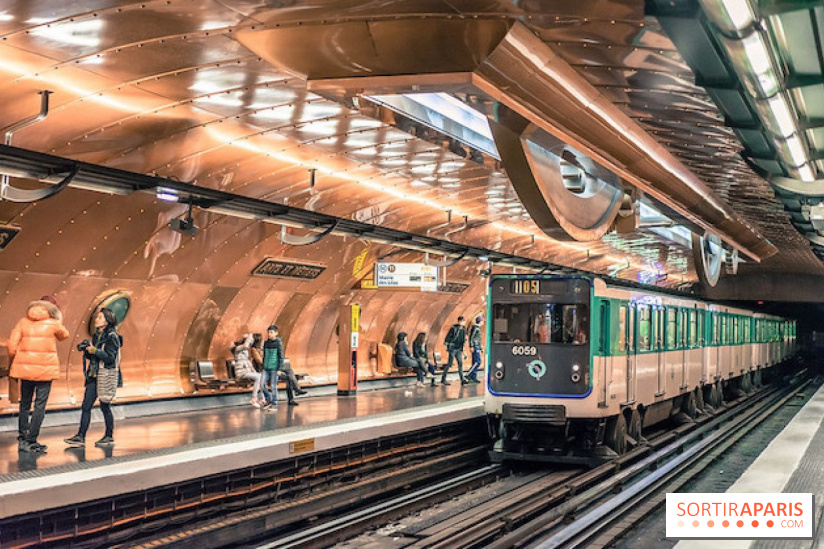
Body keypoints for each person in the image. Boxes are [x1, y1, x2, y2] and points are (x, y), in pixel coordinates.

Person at [7, 296, 69, 453]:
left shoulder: (22, 322)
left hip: (25, 369)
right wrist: (57, 319)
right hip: (44, 371)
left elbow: (12, 345)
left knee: (24, 404)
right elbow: (65, 335)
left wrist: (19, 359)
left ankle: (22, 437)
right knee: (39, 406)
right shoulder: (53, 323)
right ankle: (32, 440)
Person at [64, 307, 121, 448]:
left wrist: (95, 350)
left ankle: (108, 435)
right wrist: (87, 351)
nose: (97, 319)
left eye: (100, 317)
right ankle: (81, 436)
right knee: (86, 406)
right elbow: (96, 356)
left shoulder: (112, 336)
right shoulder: (97, 335)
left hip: (104, 375)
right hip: (94, 375)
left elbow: (110, 358)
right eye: (97, 317)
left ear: (107, 321)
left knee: (105, 406)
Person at [261, 325, 306, 409]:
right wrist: (263, 365)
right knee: (262, 384)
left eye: (271, 332)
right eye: (268, 332)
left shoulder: (278, 343)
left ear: (276, 333)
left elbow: (281, 356)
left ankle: (274, 403)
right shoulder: (266, 343)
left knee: (274, 385)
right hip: (266, 367)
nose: (269, 334)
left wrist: (279, 369)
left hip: (274, 368)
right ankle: (269, 399)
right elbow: (264, 355)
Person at [232, 333, 262, 407]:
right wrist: (250, 336)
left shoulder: (245, 351)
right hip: (241, 372)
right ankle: (254, 398)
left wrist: (255, 372)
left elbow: (249, 363)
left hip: (247, 371)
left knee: (261, 376)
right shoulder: (237, 348)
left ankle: (262, 398)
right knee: (258, 377)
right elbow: (245, 346)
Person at [442, 316, 467, 385]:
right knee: (449, 364)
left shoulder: (464, 329)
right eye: (462, 321)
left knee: (460, 363)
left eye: (464, 321)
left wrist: (464, 351)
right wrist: (447, 345)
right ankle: (443, 379)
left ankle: (462, 379)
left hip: (459, 348)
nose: (463, 322)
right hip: (453, 348)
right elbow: (447, 337)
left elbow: (463, 340)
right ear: (459, 321)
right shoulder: (454, 328)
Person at [465, 316, 484, 383]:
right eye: (482, 321)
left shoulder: (477, 328)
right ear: (480, 321)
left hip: (477, 346)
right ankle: (468, 374)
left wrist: (481, 347)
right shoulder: (476, 328)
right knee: (477, 362)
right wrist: (472, 346)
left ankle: (473, 376)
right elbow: (472, 337)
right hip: (475, 346)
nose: (483, 322)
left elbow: (478, 339)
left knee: (474, 362)